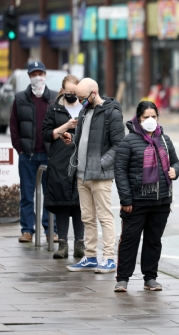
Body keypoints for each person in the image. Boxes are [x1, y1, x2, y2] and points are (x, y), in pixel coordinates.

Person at [113, 101, 179, 292]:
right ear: (138, 118)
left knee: (153, 240)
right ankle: (123, 279)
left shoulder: (165, 140)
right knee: (129, 239)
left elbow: (175, 163)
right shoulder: (128, 141)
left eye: (153, 116)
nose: (150, 120)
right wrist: (126, 199)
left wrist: (175, 170)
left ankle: (150, 278)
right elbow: (120, 171)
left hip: (161, 201)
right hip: (136, 201)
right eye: (146, 117)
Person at [61, 78, 125, 273]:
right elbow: (86, 140)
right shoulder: (84, 110)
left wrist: (100, 163)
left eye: (82, 97)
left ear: (93, 93)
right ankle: (90, 256)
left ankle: (108, 258)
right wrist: (72, 140)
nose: (79, 101)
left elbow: (119, 145)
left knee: (105, 217)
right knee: (87, 217)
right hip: (82, 174)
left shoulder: (112, 113)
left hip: (100, 175)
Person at [10, 61, 59, 243]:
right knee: (27, 195)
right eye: (34, 74)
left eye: (40, 73)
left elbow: (59, 125)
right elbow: (14, 125)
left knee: (50, 195)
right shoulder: (20, 98)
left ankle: (50, 230)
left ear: (45, 75)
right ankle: (27, 230)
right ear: (29, 76)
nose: (38, 77)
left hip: (48, 155)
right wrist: (20, 149)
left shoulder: (54, 98)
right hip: (28, 156)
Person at [42, 75, 85, 259]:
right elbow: (45, 134)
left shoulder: (86, 108)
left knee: (80, 204)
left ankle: (79, 244)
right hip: (59, 160)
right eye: (68, 92)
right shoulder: (54, 109)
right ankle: (62, 245)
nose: (71, 95)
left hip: (80, 159)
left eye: (74, 92)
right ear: (62, 91)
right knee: (61, 204)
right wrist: (66, 126)